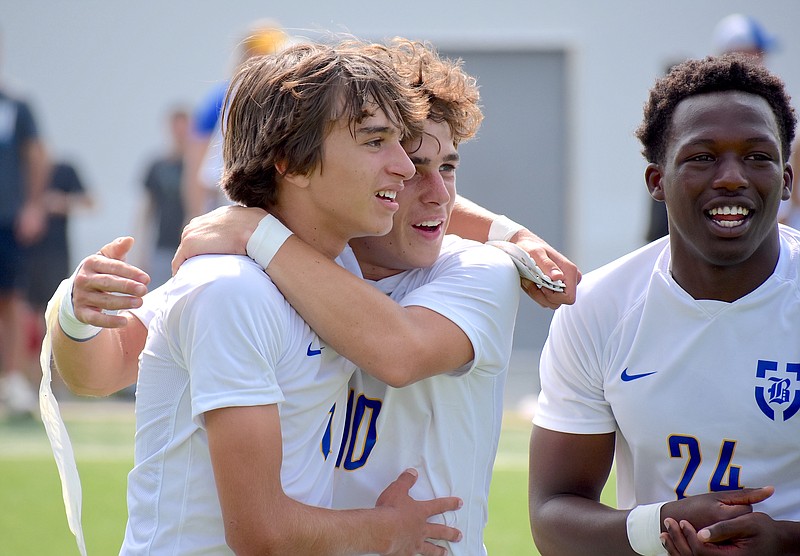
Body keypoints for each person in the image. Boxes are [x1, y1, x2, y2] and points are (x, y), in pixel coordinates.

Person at [47, 39, 580, 555]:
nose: (426, 184)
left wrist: (509, 233)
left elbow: (399, 350)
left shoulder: (475, 267)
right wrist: (75, 311)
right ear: (293, 163)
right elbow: (104, 369)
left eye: (448, 167)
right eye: (384, 147)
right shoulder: (237, 283)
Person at [529, 53, 800, 556]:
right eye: (702, 157)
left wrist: (785, 540)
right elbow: (552, 515)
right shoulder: (598, 308)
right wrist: (663, 526)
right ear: (656, 181)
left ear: (785, 179)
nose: (732, 178)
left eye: (758, 156)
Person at [183, 18, 292, 219]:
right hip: (232, 205)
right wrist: (195, 216)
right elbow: (197, 164)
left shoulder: (284, 96)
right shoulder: (223, 98)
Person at [0, 30, 50, 418]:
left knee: (11, 300)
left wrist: (33, 206)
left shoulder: (16, 105)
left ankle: (12, 380)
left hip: (7, 219)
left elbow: (36, 155)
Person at [137, 107, 190, 288]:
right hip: (162, 245)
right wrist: (141, 248)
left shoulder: (198, 167)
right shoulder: (157, 165)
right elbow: (147, 209)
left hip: (190, 244)